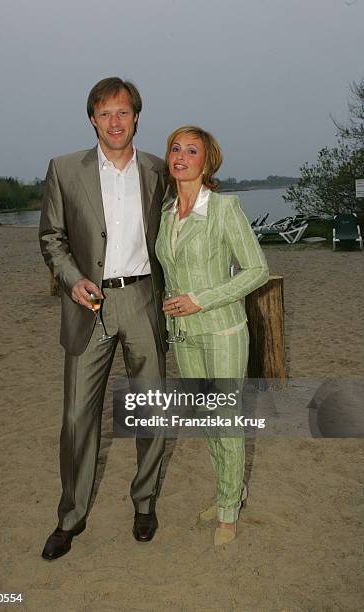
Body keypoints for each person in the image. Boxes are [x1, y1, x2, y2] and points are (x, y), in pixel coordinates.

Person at [39, 77, 168, 560]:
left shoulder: (157, 170)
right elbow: (52, 237)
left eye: (124, 112)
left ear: (137, 117)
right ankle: (70, 518)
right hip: (87, 304)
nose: (115, 122)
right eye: (105, 113)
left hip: (141, 299)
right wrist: (71, 279)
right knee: (77, 419)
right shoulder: (64, 169)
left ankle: (144, 502)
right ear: (92, 118)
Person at [155, 126, 269, 546]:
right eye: (175, 148)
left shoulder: (224, 208)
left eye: (192, 150)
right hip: (184, 337)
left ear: (208, 162)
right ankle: (231, 493)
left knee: (226, 421)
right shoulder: (166, 214)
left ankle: (227, 513)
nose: (181, 156)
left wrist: (200, 299)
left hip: (222, 332)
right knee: (206, 422)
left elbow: (256, 270)